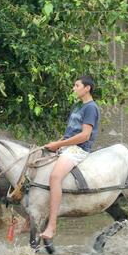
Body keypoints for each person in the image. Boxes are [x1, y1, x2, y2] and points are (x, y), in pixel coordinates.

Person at [39, 75, 100, 241]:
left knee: (55, 177)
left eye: (76, 85)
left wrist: (59, 145)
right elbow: (70, 132)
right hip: (67, 146)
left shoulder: (91, 108)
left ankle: (51, 226)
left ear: (87, 88)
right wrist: (56, 143)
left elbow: (85, 136)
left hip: (79, 149)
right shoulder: (77, 106)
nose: (73, 88)